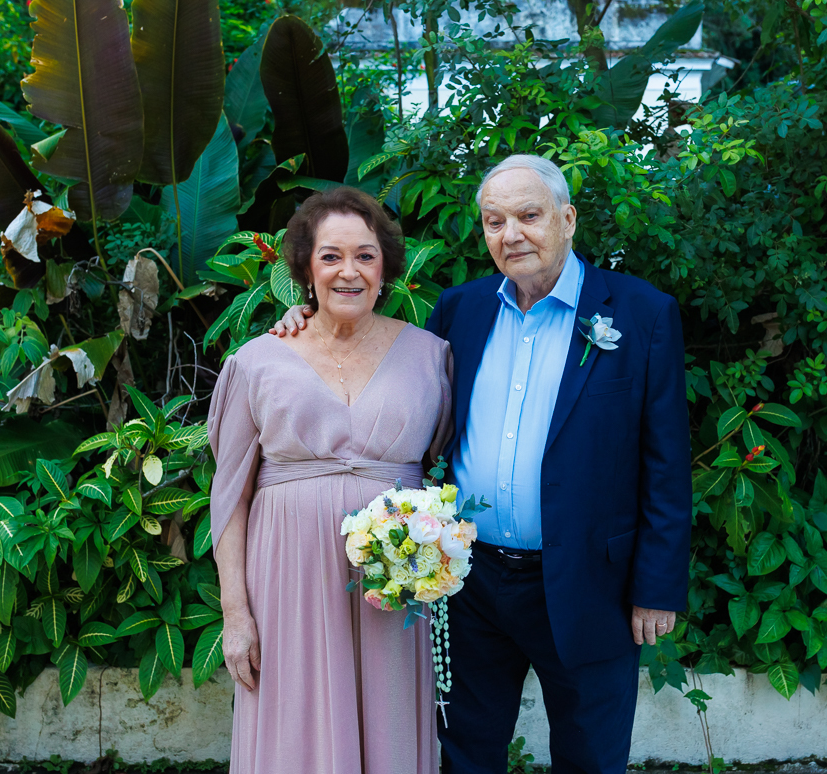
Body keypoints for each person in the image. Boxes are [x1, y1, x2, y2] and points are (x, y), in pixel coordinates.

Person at [272, 154, 692, 773]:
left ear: (567, 219)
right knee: (466, 753)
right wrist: (308, 319)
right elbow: (385, 365)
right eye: (495, 222)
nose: (511, 234)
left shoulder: (640, 314)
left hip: (589, 583)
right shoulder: (460, 310)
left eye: (529, 216)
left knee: (591, 757)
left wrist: (656, 588)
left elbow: (666, 463)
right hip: (471, 582)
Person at [208, 186, 453, 773]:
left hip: (392, 582)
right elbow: (231, 497)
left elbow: (445, 465)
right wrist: (236, 614)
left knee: (389, 725)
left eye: (366, 256)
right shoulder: (258, 361)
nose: (350, 271)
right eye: (331, 256)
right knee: (294, 730)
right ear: (305, 268)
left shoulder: (430, 355)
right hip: (287, 582)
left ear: (385, 268)